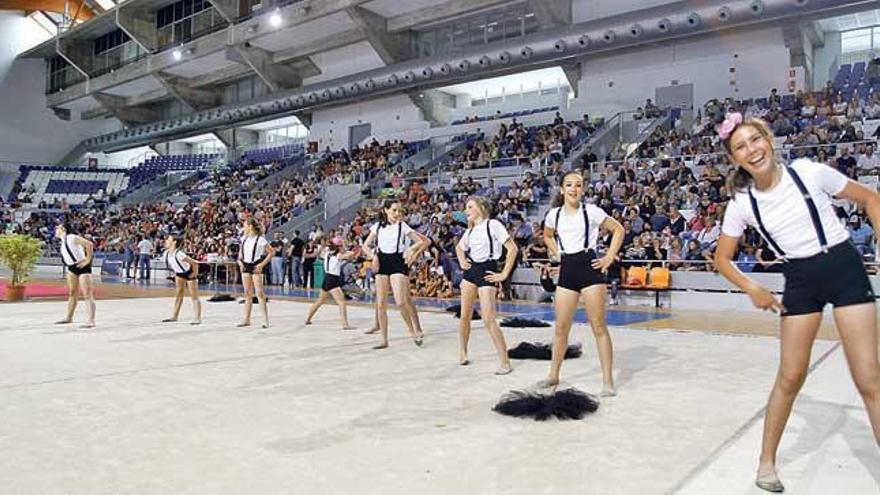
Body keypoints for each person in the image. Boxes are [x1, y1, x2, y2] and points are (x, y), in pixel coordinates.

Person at [712, 113, 880, 493]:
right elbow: (722, 258)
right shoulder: (741, 203)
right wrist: (751, 287)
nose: (751, 150)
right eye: (740, 146)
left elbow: (871, 198)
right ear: (734, 159)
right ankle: (766, 462)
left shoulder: (808, 172)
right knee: (790, 377)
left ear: (769, 140)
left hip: (843, 266)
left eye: (755, 140)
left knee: (869, 379)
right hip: (800, 280)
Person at [539, 171, 625, 395]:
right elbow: (547, 235)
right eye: (569, 185)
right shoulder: (553, 215)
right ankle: (553, 375)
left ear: (583, 189)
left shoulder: (592, 211)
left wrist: (608, 257)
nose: (573, 189)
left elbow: (619, 230)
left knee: (598, 326)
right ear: (561, 189)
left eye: (578, 185)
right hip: (567, 269)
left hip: (590, 268)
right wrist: (557, 253)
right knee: (560, 328)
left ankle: (607, 380)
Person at [455, 196, 517, 374]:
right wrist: (461, 261)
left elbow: (512, 249)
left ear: (481, 208)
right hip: (471, 271)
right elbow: (460, 248)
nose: (466, 210)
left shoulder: (493, 225)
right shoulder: (471, 230)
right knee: (465, 315)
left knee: (488, 318)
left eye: (470, 207)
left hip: (488, 270)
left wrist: (504, 274)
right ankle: (463, 351)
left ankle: (505, 361)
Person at [362, 200, 431, 349]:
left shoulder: (402, 226)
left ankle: (413, 331)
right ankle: (384, 339)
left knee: (401, 301)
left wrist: (411, 251)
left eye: (399, 211)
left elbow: (420, 241)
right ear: (385, 211)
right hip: (382, 260)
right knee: (380, 303)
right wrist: (373, 256)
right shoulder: (377, 227)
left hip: (398, 260)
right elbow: (365, 245)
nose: (397, 213)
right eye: (394, 210)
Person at [304, 238, 356, 329]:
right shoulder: (338, 255)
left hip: (326, 278)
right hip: (333, 280)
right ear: (338, 247)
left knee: (319, 301)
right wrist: (344, 248)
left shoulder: (327, 253)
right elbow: (351, 254)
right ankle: (345, 324)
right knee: (342, 302)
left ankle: (308, 319)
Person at [55, 223, 96, 328]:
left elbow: (89, 244)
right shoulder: (63, 242)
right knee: (72, 293)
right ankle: (69, 317)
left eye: (58, 228)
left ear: (63, 229)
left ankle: (91, 320)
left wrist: (88, 259)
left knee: (87, 293)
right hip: (71, 268)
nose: (56, 229)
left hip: (82, 266)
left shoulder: (71, 237)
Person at [237, 218, 275, 328]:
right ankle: (246, 319)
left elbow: (272, 252)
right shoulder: (243, 238)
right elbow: (240, 254)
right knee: (247, 293)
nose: (243, 228)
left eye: (245, 225)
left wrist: (262, 264)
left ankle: (265, 320)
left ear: (250, 226)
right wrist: (239, 262)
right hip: (245, 265)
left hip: (256, 265)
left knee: (260, 293)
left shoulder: (261, 239)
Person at [161, 234, 202, 325]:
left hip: (189, 273)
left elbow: (195, 263)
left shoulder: (179, 254)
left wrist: (194, 274)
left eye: (168, 239)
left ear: (174, 242)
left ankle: (197, 318)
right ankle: (175, 316)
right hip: (179, 274)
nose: (166, 241)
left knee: (194, 296)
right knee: (179, 294)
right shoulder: (166, 254)